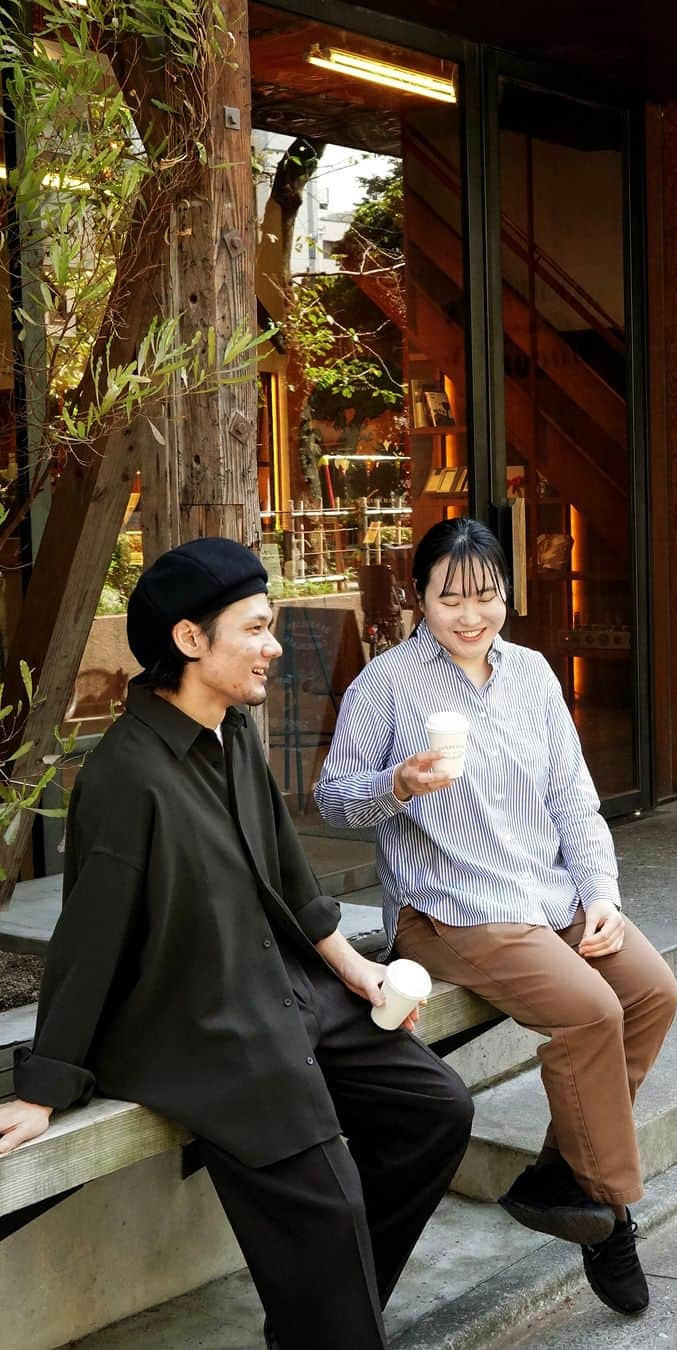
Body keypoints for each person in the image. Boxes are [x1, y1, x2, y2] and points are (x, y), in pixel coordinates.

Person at [0, 538, 472, 1350]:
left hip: (289, 992)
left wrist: (357, 970)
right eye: (255, 628)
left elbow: (291, 877)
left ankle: (322, 1320)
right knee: (332, 1204)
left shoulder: (233, 735)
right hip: (204, 1028)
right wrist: (43, 1086)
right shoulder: (125, 776)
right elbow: (88, 937)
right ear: (189, 640)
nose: (273, 647)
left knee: (437, 1112)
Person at [316, 518, 677, 1317]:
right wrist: (399, 784)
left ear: (506, 594)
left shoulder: (534, 675)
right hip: (450, 912)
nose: (471, 614)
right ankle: (611, 1215)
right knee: (589, 1012)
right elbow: (334, 799)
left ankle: (563, 1176)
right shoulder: (387, 683)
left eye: (487, 595)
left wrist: (602, 896)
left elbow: (573, 800)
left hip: (545, 898)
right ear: (421, 598)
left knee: (650, 990)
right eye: (452, 598)